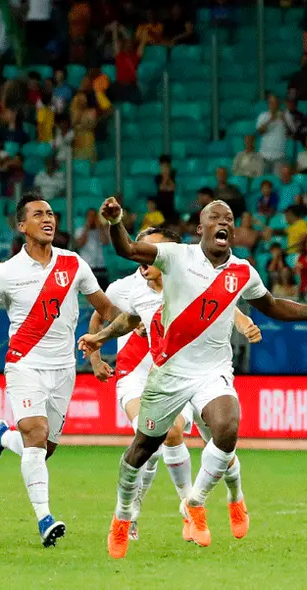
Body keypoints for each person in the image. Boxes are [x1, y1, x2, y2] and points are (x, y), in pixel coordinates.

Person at [89, 197, 307, 558]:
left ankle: (195, 501)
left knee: (227, 427)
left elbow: (273, 306)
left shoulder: (243, 271)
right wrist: (115, 222)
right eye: (215, 217)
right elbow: (127, 249)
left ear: (232, 230)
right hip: (169, 372)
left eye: (229, 218)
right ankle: (123, 515)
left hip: (212, 371)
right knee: (141, 450)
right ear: (200, 228)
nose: (223, 222)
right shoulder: (176, 256)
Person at [0, 192, 120, 547]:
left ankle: (2, 437)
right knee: (35, 433)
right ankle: (45, 519)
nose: (48, 219)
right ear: (22, 226)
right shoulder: (6, 273)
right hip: (24, 364)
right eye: (38, 214)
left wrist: (132, 325)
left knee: (45, 448)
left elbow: (106, 308)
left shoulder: (74, 264)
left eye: (50, 213)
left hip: (63, 368)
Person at [85, 227, 260, 542]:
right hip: (136, 375)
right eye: (142, 248)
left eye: (152, 250)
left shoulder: (190, 281)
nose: (144, 256)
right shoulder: (125, 288)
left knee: (220, 445)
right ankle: (168, 511)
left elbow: (224, 303)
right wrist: (96, 356)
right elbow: (103, 316)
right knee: (158, 438)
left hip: (186, 373)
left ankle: (235, 497)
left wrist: (244, 322)